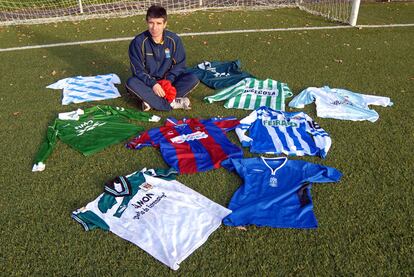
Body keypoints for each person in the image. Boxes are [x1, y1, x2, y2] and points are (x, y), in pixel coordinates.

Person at [126, 5, 199, 111]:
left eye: (159, 23)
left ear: (165, 24)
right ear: (147, 22)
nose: (154, 28)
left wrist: (167, 82)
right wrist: (154, 84)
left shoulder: (174, 40)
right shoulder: (138, 42)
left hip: (169, 82)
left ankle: (151, 101)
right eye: (151, 23)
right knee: (131, 82)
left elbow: (180, 65)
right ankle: (171, 103)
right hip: (148, 84)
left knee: (193, 78)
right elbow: (138, 70)